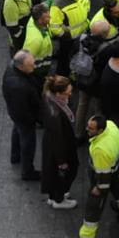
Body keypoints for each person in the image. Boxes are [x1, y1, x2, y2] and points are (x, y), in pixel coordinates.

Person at [67, 112, 119, 238]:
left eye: (91, 128)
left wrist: (99, 188)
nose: (87, 130)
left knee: (93, 209)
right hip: (115, 169)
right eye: (88, 126)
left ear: (100, 130)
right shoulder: (111, 126)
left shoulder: (100, 150)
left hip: (103, 175)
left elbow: (103, 175)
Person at [3, 50, 43, 182]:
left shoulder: (12, 68)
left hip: (16, 113)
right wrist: (34, 119)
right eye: (31, 65)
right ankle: (27, 172)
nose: (34, 66)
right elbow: (23, 110)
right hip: (24, 117)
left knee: (17, 130)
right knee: (28, 142)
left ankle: (15, 156)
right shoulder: (19, 87)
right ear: (21, 66)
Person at [42, 75, 79, 208]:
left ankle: (54, 196)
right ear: (58, 94)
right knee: (69, 170)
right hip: (60, 150)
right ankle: (59, 199)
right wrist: (62, 161)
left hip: (50, 145)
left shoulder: (48, 96)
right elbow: (59, 140)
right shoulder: (56, 115)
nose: (70, 94)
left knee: (52, 173)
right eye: (68, 93)